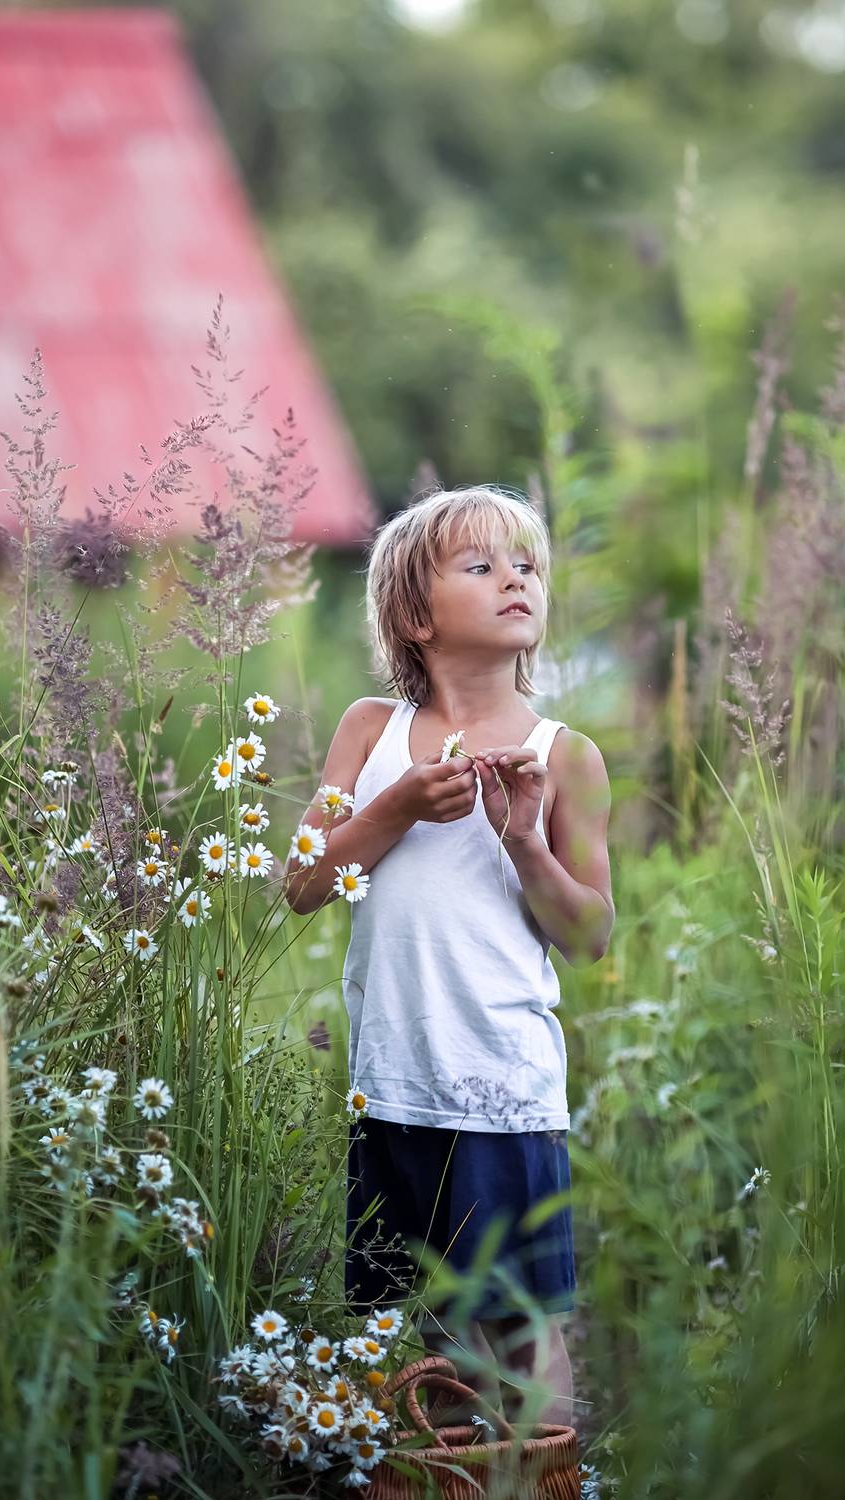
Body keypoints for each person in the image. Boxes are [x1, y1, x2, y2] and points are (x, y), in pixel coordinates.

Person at [285, 483, 614, 1430]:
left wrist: (521, 843)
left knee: (518, 1325)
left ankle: (546, 1479)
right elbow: (302, 886)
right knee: (427, 1326)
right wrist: (391, 811)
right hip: (391, 1082)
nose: (515, 577)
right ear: (416, 617)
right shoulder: (369, 731)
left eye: (526, 565)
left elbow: (589, 935)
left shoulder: (565, 754)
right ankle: (454, 1480)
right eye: (481, 565)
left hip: (502, 1088)